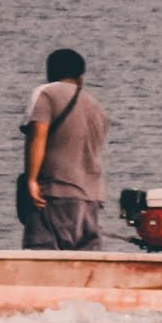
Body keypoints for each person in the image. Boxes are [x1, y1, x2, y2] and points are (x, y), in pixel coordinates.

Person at [19, 49, 109, 251]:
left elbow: (37, 137)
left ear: (50, 72)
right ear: (81, 76)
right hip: (92, 198)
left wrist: (32, 181)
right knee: (85, 267)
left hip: (54, 194)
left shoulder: (47, 93)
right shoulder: (96, 106)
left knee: (42, 259)